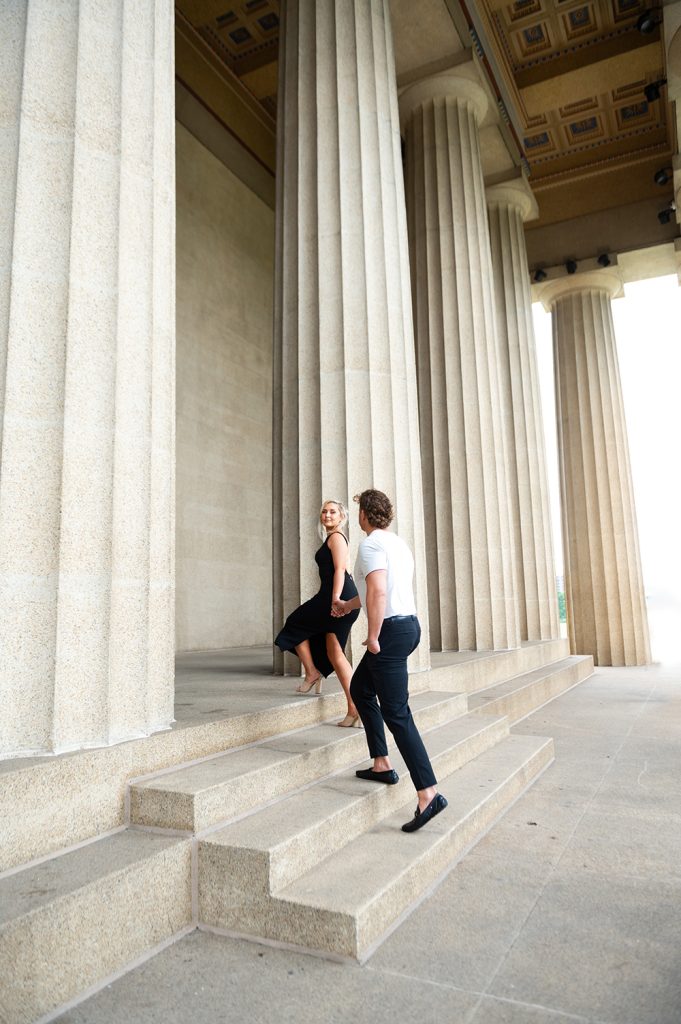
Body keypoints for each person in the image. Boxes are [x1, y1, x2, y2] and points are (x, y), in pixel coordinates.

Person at [332, 489, 447, 832]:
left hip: (390, 633)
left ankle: (429, 792)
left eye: (359, 512)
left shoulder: (369, 545)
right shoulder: (397, 543)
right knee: (361, 688)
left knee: (397, 713)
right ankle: (381, 763)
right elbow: (381, 591)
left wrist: (373, 635)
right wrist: (347, 605)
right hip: (409, 626)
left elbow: (379, 592)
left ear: (365, 514)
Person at [275, 500, 362, 727]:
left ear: (342, 517)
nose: (327, 515)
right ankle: (355, 709)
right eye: (324, 511)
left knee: (294, 622)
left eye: (333, 512)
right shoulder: (332, 538)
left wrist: (335, 600)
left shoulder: (336, 538)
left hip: (335, 596)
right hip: (335, 595)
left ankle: (313, 672)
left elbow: (340, 571)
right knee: (335, 654)